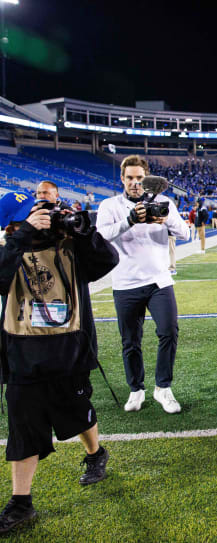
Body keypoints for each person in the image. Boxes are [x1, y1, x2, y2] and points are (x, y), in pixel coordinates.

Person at [0, 191, 119, 535]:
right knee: (22, 430)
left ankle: (95, 453)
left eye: (41, 212)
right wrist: (22, 236)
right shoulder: (10, 248)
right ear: (11, 223)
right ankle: (21, 503)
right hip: (22, 353)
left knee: (76, 412)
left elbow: (106, 262)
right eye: (30, 214)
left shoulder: (68, 246)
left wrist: (81, 232)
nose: (41, 218)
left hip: (68, 351)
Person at [96, 155, 190, 414]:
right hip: (125, 282)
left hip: (158, 279)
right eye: (130, 178)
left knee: (169, 331)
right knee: (130, 341)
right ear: (122, 179)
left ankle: (163, 387)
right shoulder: (110, 205)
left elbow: (186, 233)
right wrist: (129, 220)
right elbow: (101, 235)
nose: (135, 183)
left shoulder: (163, 202)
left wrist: (166, 220)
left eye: (139, 178)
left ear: (146, 178)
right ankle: (136, 389)